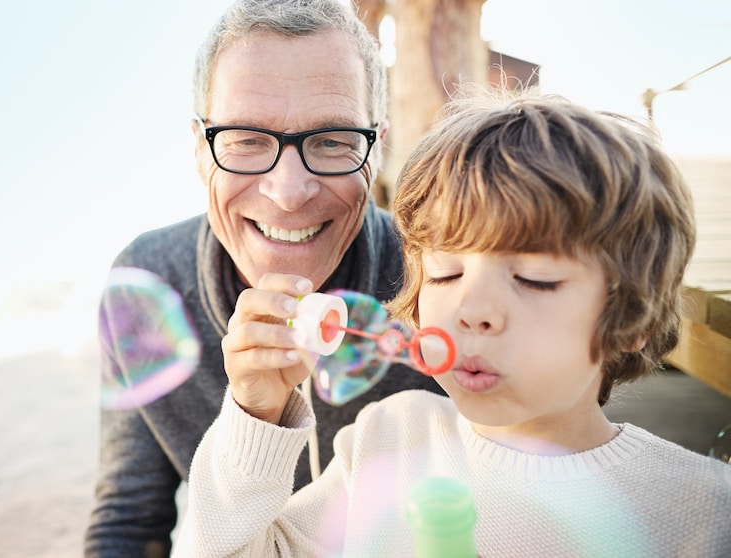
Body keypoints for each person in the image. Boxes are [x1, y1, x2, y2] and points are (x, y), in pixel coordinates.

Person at [173, 88, 731, 557]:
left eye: (535, 278)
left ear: (632, 316)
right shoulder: (389, 440)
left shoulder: (705, 510)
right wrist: (256, 415)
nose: (472, 308)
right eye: (444, 273)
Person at [83, 1, 445, 556]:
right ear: (202, 151)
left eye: (332, 140)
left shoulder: (441, 277)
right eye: (246, 139)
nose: (288, 191)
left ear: (377, 146)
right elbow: (129, 522)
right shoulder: (151, 277)